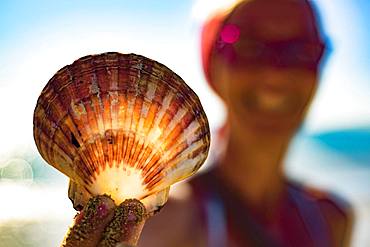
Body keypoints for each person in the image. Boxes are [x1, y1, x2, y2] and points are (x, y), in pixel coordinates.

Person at [66, 0, 354, 246]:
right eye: (249, 46)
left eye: (301, 50)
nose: (275, 71)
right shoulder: (160, 226)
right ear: (213, 66)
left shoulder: (331, 219)